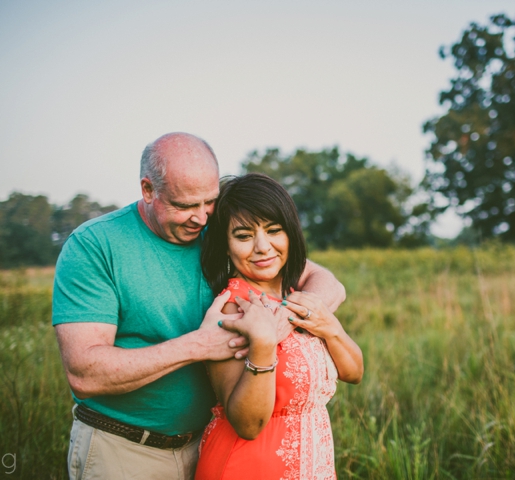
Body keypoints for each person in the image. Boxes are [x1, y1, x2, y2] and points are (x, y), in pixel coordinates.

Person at [52, 133, 346, 480]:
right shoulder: (94, 246)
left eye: (209, 202)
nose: (201, 217)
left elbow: (325, 281)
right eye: (185, 205)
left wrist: (281, 320)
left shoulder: (220, 232)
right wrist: (199, 345)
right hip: (125, 450)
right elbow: (84, 372)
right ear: (148, 190)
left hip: (206, 447)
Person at [194, 173, 363, 480]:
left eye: (274, 230)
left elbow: (354, 373)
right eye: (244, 236)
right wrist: (263, 345)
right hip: (248, 467)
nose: (262, 247)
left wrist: (329, 326)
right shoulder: (233, 308)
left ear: (291, 233)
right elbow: (248, 425)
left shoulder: (297, 297)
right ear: (226, 245)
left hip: (313, 465)